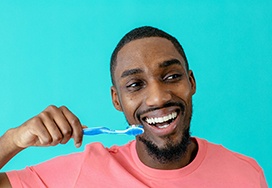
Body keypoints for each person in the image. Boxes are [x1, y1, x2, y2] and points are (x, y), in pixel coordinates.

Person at [0, 26, 268, 187]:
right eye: (135, 85)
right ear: (117, 100)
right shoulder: (81, 173)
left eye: (172, 77)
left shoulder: (246, 174)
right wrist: (14, 140)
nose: (157, 98)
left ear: (191, 81)